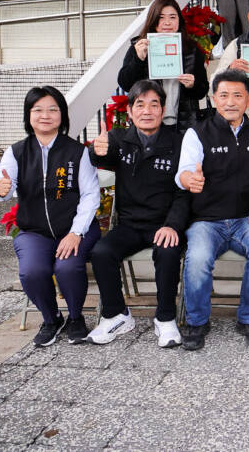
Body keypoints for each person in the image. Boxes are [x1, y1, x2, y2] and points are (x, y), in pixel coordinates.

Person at [0, 86, 101, 347]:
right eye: (37, 110)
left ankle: (76, 318)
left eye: (53, 109)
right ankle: (51, 319)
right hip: (34, 231)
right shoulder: (16, 152)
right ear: (28, 115)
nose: (45, 116)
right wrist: (0, 189)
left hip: (74, 229)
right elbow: (2, 185)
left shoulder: (77, 151)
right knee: (32, 271)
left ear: (62, 115)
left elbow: (90, 195)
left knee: (67, 267)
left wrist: (75, 233)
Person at [175, 68, 249, 350]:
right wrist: (189, 180)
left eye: (238, 95)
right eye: (224, 95)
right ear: (214, 98)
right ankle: (196, 322)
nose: (230, 102)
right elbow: (184, 171)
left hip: (247, 218)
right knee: (197, 258)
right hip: (207, 220)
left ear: (248, 99)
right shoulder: (197, 133)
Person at [86, 80, 188, 348]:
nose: (147, 111)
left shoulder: (179, 142)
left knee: (168, 251)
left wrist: (173, 225)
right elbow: (102, 156)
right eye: (140, 105)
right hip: (130, 224)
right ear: (130, 111)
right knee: (101, 252)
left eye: (154, 105)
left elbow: (185, 192)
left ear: (163, 110)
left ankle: (165, 318)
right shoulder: (119, 139)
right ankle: (116, 315)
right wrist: (96, 150)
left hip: (164, 223)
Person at [117, 0, 210, 132]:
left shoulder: (192, 49)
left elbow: (203, 90)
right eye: (161, 17)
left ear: (179, 21)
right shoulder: (140, 47)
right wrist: (138, 59)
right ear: (153, 20)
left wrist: (193, 84)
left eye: (172, 17)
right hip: (150, 124)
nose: (167, 22)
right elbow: (125, 83)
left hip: (183, 124)